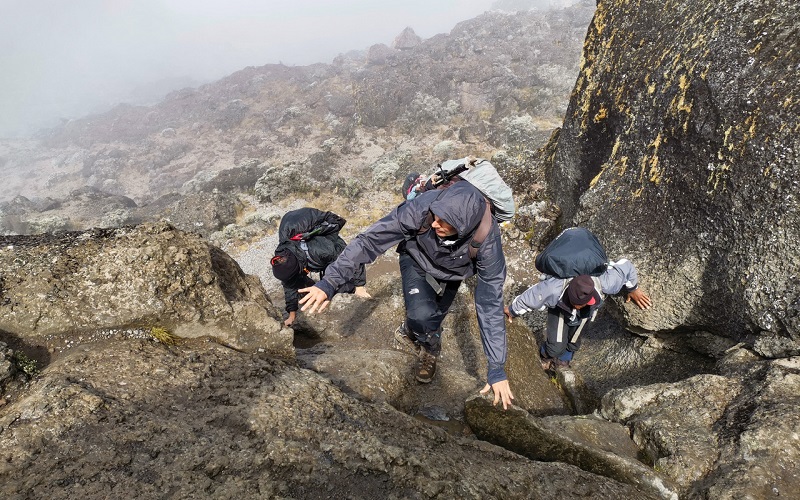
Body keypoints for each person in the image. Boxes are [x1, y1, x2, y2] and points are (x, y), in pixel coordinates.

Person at [298, 181, 515, 409]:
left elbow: (490, 303)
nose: (434, 224)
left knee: (435, 316)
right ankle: (429, 348)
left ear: (464, 227)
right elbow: (370, 241)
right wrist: (329, 283)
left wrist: (496, 368)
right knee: (421, 315)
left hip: (453, 272)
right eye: (435, 217)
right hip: (416, 258)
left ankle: (425, 334)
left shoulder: (488, 241)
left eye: (444, 223)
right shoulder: (422, 209)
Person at [504, 260, 652, 370]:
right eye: (577, 303)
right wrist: (512, 310)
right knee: (555, 347)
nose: (580, 305)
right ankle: (546, 356)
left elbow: (626, 266)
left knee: (574, 339)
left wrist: (633, 288)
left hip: (585, 314)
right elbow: (532, 296)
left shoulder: (606, 282)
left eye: (583, 302)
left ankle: (563, 360)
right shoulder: (553, 288)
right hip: (560, 309)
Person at [271, 207, 370, 327]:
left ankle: (351, 289)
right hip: (307, 256)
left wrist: (359, 286)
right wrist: (291, 315)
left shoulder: (320, 251)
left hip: (332, 248)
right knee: (304, 290)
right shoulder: (282, 257)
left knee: (338, 283)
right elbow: (289, 287)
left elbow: (352, 255)